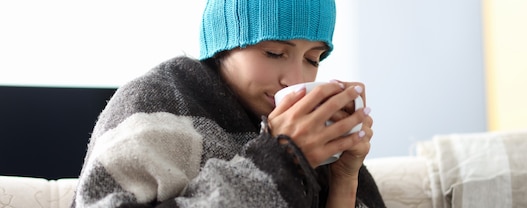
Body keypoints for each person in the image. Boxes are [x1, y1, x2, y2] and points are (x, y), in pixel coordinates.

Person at [72, 0, 385, 207]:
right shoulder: (154, 103)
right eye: (274, 53)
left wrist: (344, 177)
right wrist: (280, 158)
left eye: (312, 59)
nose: (295, 78)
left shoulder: (297, 122)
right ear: (223, 46)